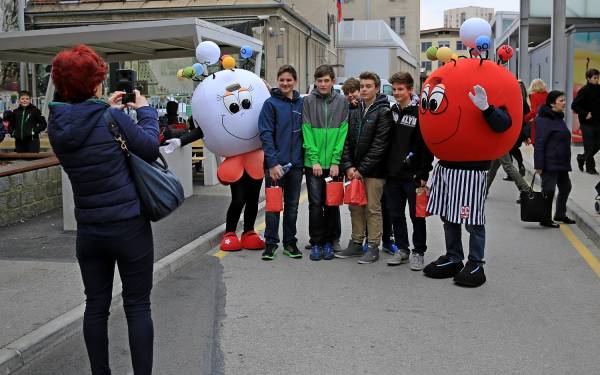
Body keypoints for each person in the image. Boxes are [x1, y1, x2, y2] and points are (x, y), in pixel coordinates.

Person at [48, 45, 159, 375]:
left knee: (95, 305)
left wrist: (104, 110)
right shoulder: (112, 117)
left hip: (90, 231)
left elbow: (85, 124)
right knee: (137, 305)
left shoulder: (56, 125)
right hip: (128, 226)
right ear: (95, 83)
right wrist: (147, 112)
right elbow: (150, 148)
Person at [336, 71, 392, 264]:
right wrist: (349, 167)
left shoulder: (384, 112)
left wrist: (362, 170)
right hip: (354, 170)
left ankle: (373, 246)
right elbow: (347, 142)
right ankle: (356, 243)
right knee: (355, 207)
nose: (364, 90)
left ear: (376, 88)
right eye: (362, 87)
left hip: (374, 172)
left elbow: (380, 145)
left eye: (369, 86)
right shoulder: (355, 110)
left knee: (372, 209)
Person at [384, 72, 434, 270]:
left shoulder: (420, 113)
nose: (396, 93)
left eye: (400, 89)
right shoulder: (391, 112)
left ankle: (418, 252)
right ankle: (402, 250)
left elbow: (426, 146)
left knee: (417, 216)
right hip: (392, 175)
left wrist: (423, 174)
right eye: (394, 89)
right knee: (396, 214)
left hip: (413, 177)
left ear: (410, 90)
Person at [302, 65, 348, 261]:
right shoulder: (308, 101)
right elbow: (307, 131)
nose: (323, 84)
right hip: (314, 164)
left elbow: (343, 133)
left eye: (326, 80)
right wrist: (314, 161)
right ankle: (317, 242)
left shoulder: (342, 101)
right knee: (315, 203)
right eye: (319, 80)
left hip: (334, 164)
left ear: (333, 82)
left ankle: (330, 241)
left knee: (332, 204)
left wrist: (336, 160)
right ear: (315, 81)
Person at [259, 65, 305, 260]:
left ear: (295, 81)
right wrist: (272, 163)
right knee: (273, 206)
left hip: (296, 165)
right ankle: (270, 244)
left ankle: (290, 243)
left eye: (289, 80)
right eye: (282, 80)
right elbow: (266, 134)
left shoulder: (303, 104)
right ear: (278, 81)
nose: (285, 83)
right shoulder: (270, 104)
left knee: (292, 206)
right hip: (275, 166)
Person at [535, 91, 576, 228]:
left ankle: (560, 214)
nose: (564, 103)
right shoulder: (544, 120)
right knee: (549, 190)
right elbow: (539, 143)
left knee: (566, 187)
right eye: (561, 101)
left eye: (564, 100)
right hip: (550, 162)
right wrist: (539, 165)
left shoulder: (558, 118)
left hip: (561, 162)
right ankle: (545, 218)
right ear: (552, 103)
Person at [487, 81, 533, 197]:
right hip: (510, 135)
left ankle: (526, 189)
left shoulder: (503, 101)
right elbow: (525, 120)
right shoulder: (521, 102)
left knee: (507, 165)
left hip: (501, 137)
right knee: (493, 167)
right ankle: (483, 191)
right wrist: (526, 135)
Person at [572, 68, 600, 174]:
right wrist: (585, 113)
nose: (597, 80)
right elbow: (574, 105)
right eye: (595, 78)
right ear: (588, 78)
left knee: (597, 145)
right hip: (587, 123)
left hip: (598, 122)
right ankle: (590, 167)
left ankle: (581, 158)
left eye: (598, 78)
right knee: (589, 146)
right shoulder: (584, 90)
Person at [524, 78, 549, 146]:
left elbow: (534, 111)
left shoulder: (533, 96)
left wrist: (525, 118)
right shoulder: (547, 94)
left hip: (538, 123)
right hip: (548, 121)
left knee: (538, 146)